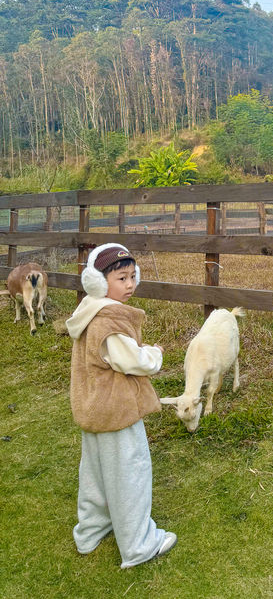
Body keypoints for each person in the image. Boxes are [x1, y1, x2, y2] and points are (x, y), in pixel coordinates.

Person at [66, 242, 176, 568]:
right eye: (121, 279)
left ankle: (90, 530)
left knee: (96, 477)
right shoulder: (107, 322)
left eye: (132, 277)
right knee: (131, 474)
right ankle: (139, 544)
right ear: (99, 282)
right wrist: (154, 354)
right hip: (116, 411)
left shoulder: (89, 311)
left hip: (94, 409)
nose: (129, 285)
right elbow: (134, 361)